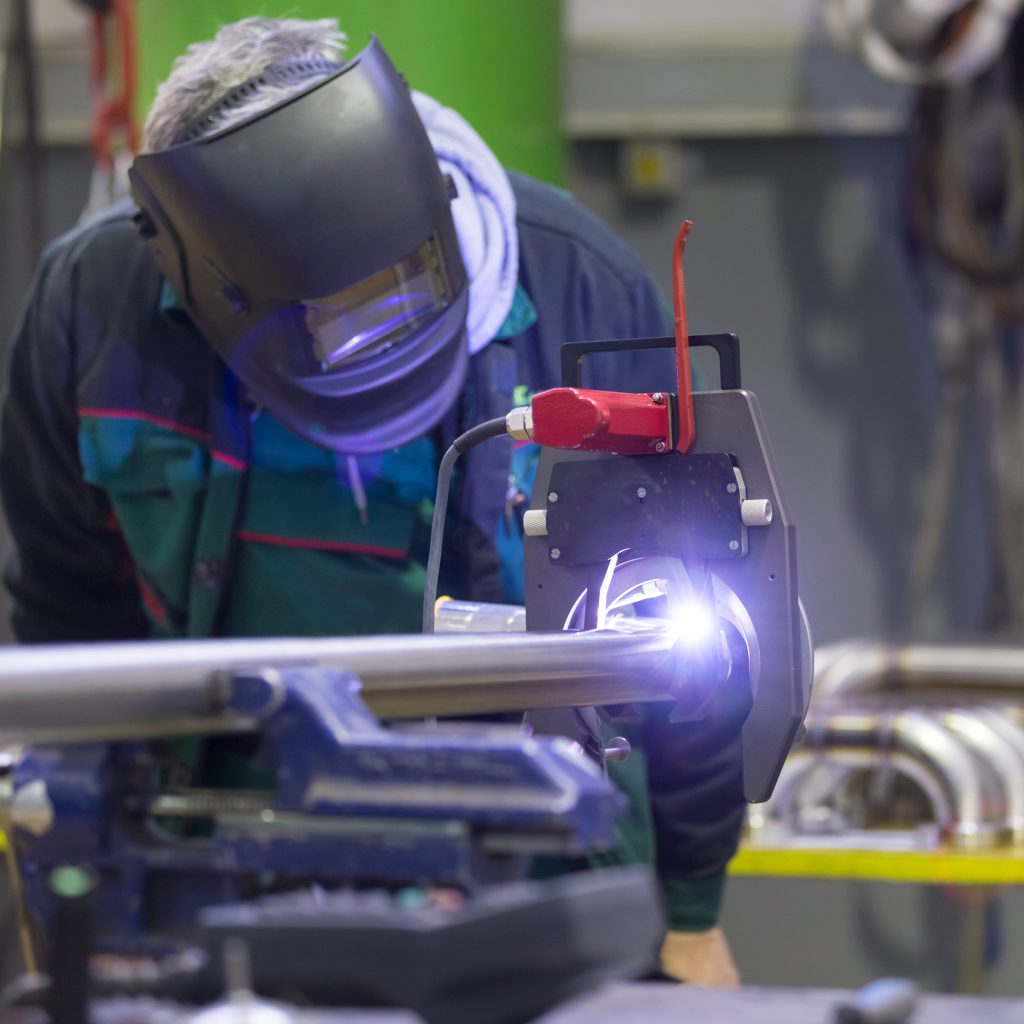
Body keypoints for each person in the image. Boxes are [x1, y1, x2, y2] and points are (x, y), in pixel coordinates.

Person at [0, 17, 745, 986]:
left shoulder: (580, 287)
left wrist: (690, 913)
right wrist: (83, 890)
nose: (360, 339)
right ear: (197, 264)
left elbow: (694, 635)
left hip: (547, 890)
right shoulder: (93, 308)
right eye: (319, 319)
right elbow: (68, 613)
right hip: (214, 884)